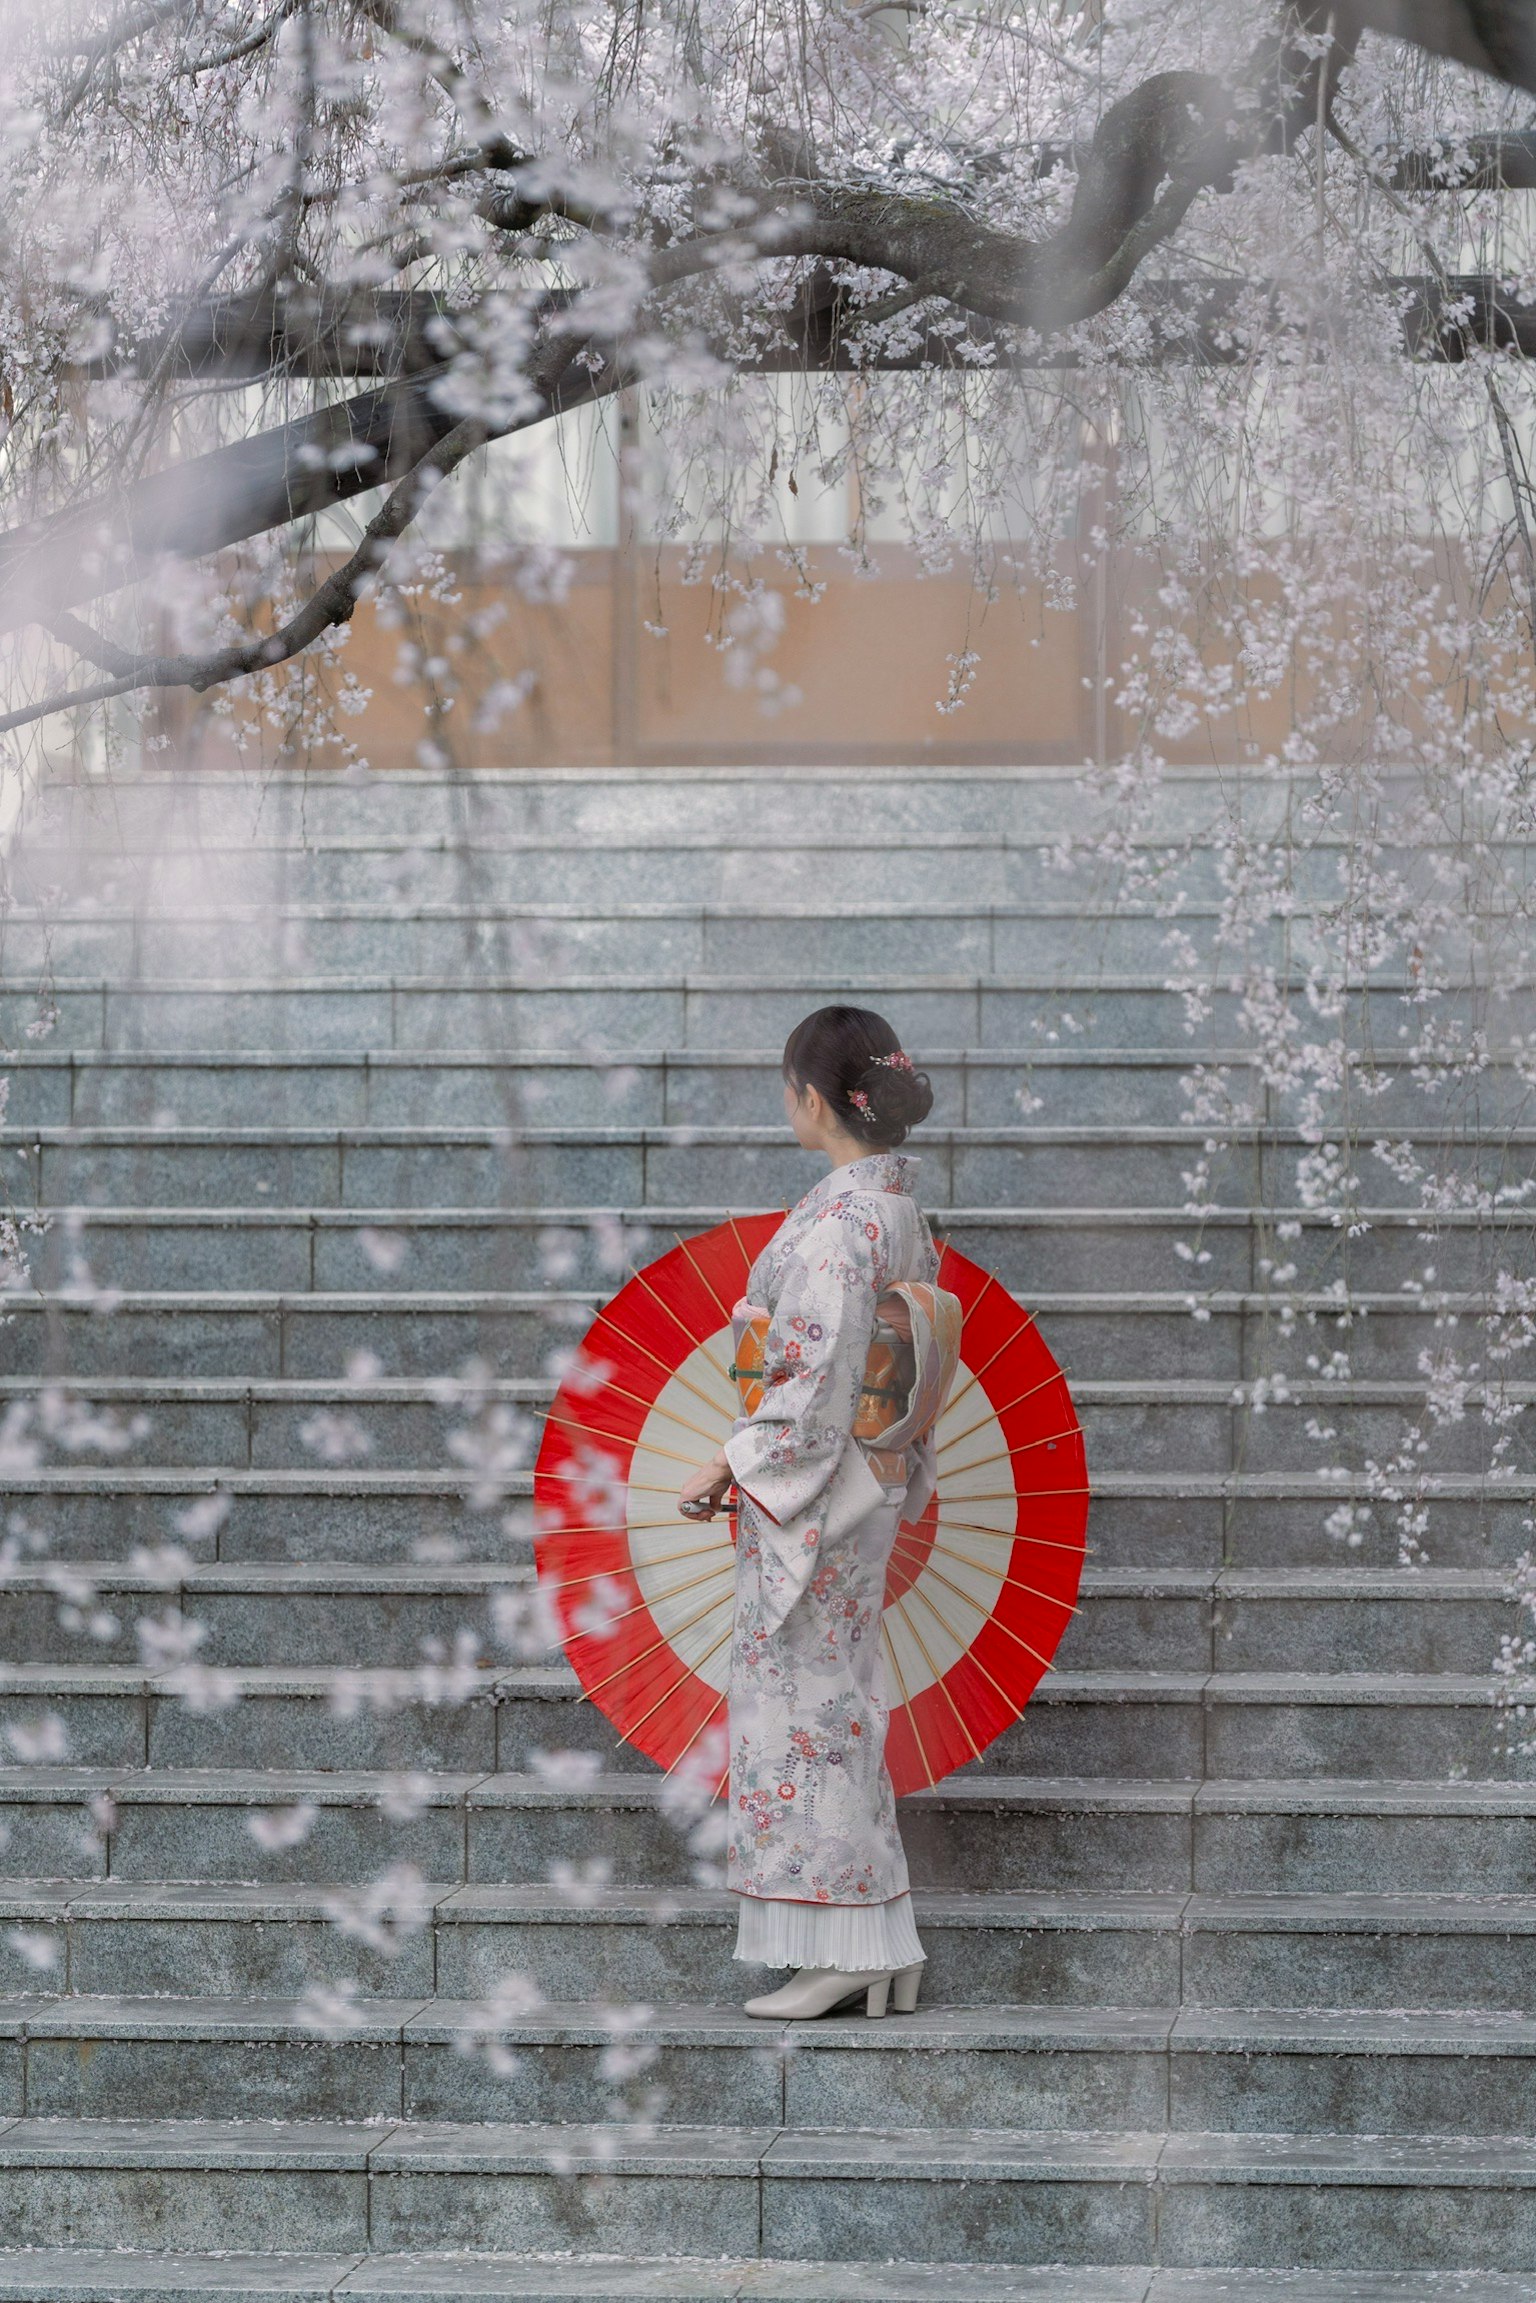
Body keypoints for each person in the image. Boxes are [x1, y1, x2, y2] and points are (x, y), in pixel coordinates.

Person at [677, 1004, 941, 2020]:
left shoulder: (838, 1227)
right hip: (855, 1483)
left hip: (817, 1493)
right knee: (836, 1707)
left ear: (812, 1094)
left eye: (786, 1083)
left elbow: (813, 1379)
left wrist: (726, 1458)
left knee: (811, 1717)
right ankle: (883, 1936)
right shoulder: (894, 1210)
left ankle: (853, 1939)